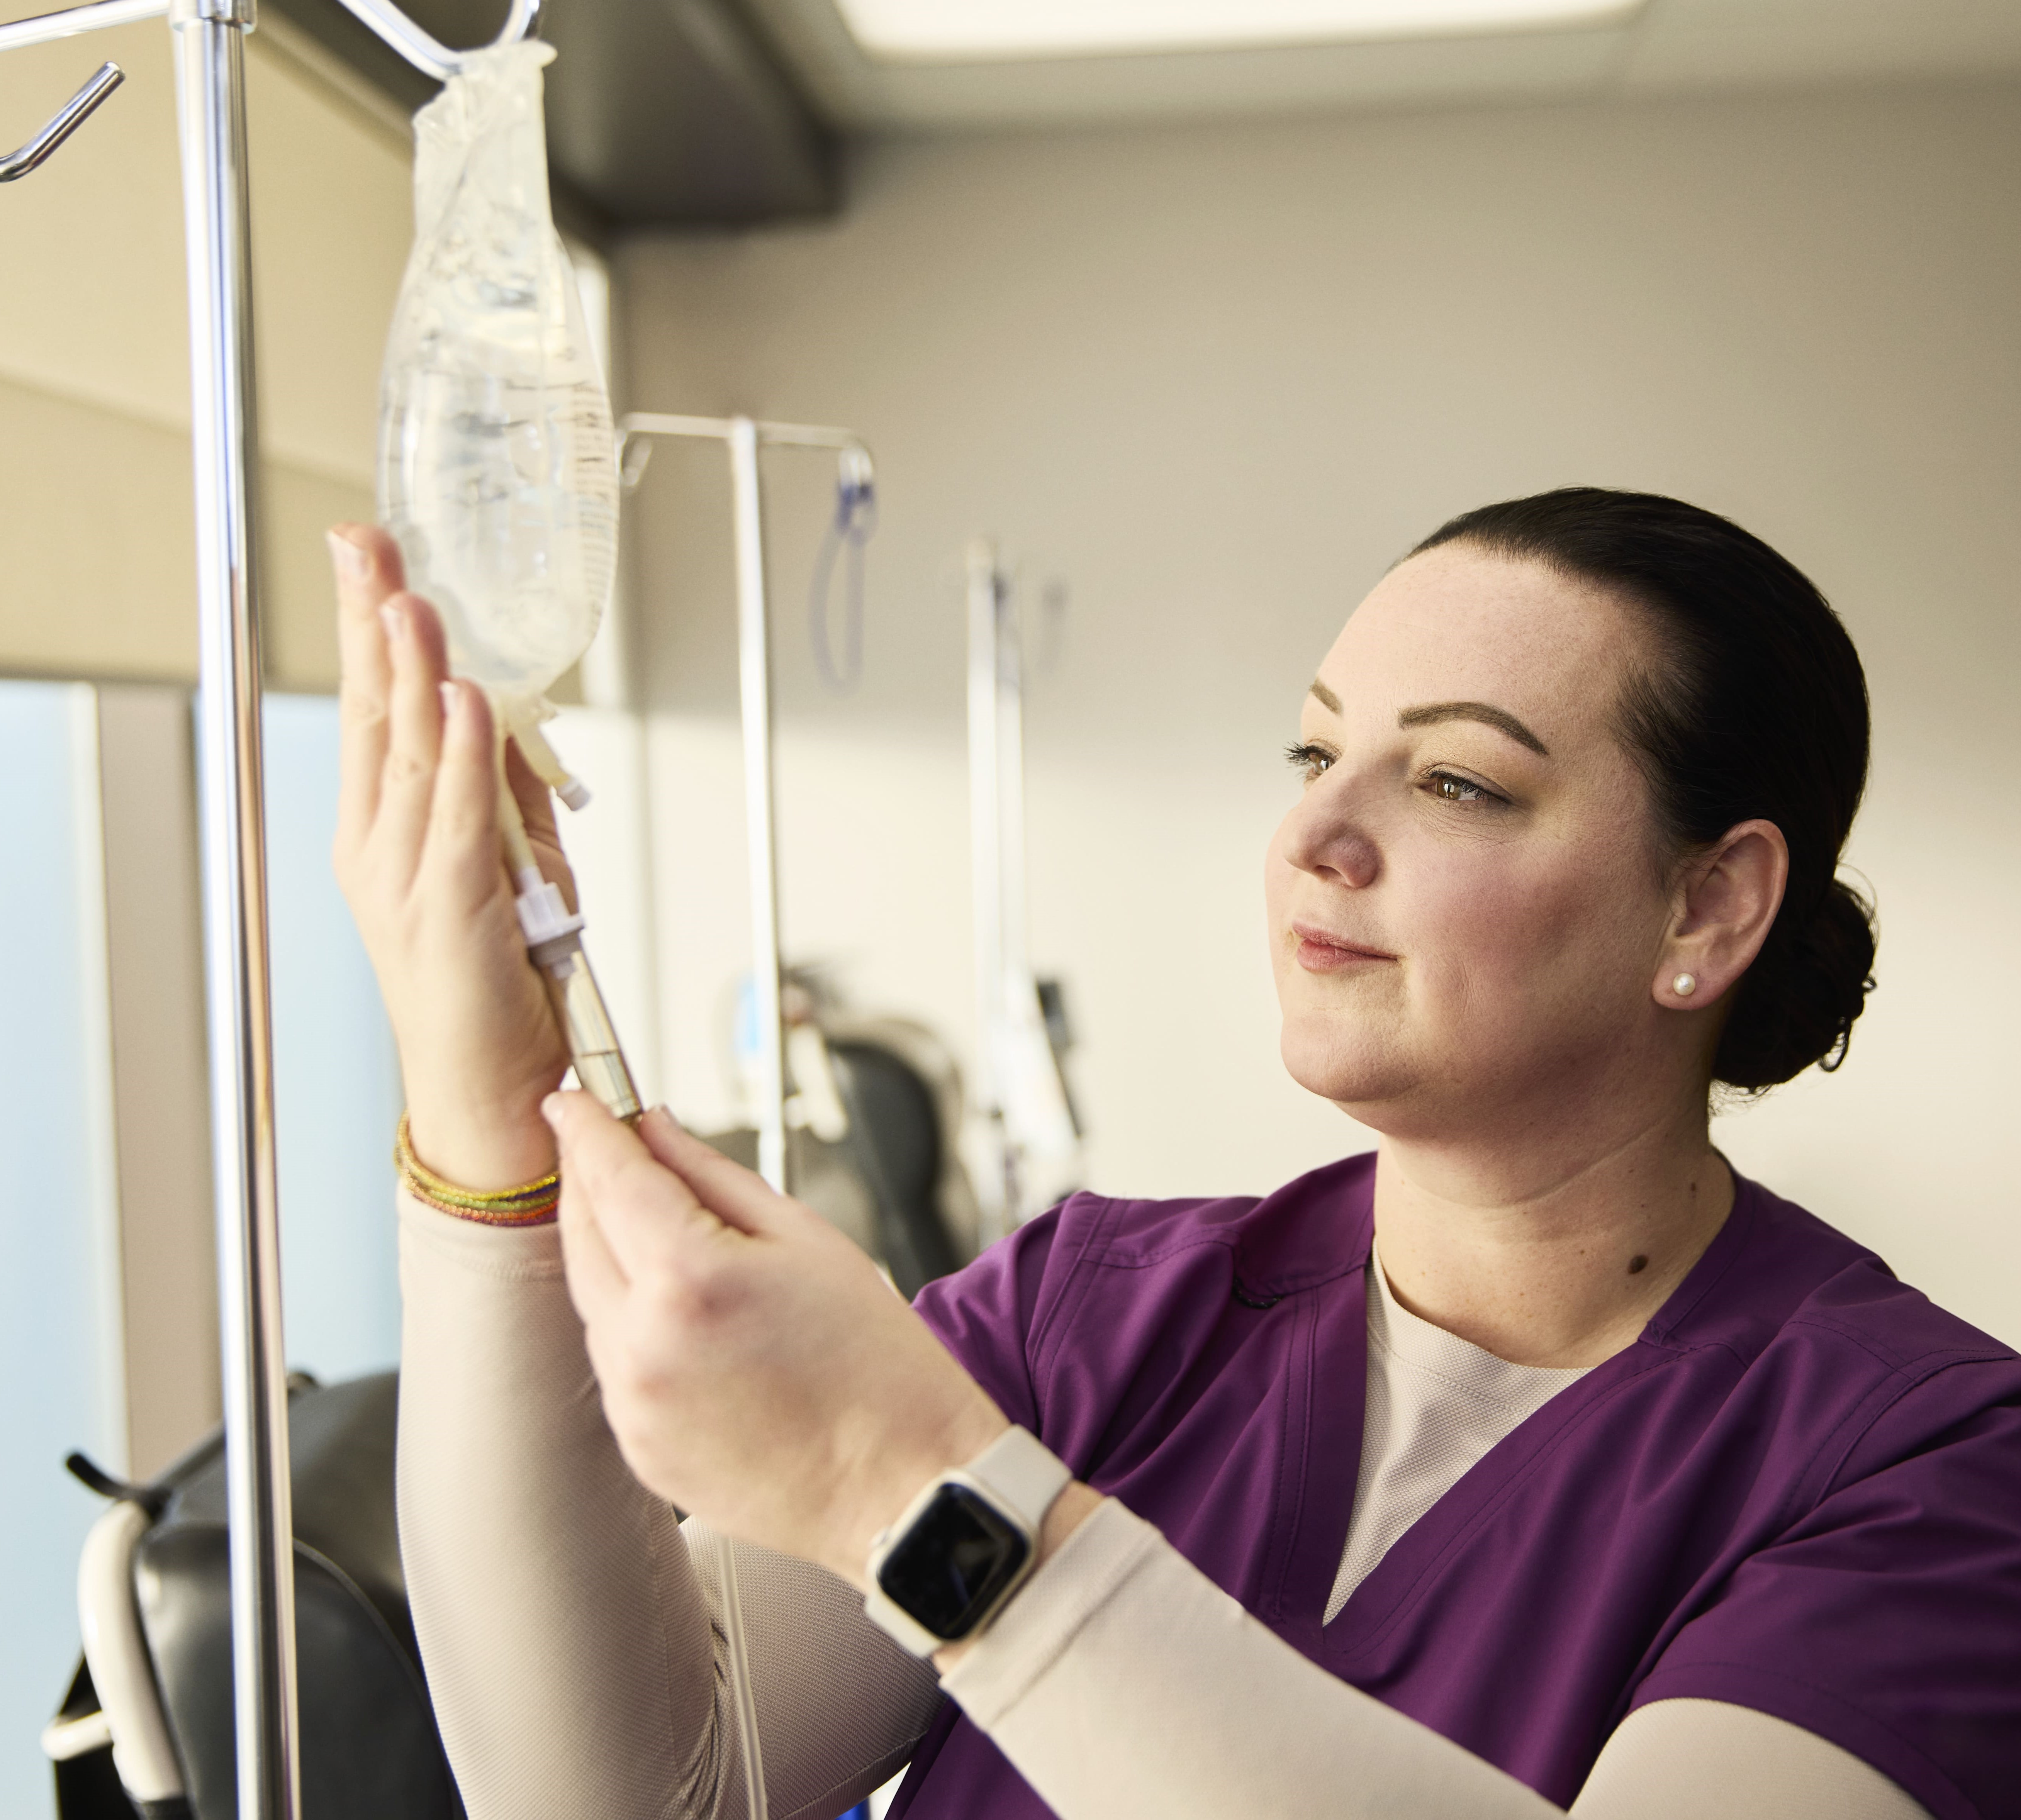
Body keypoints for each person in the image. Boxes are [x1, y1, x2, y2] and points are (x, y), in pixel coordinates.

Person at [328, 488, 2021, 1820]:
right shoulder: (1091, 1313)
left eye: (1452, 780)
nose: (1315, 833)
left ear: (1708, 904)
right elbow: (630, 1796)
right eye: (1314, 751)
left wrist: (914, 1497)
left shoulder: (1925, 1470)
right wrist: (483, 1128)